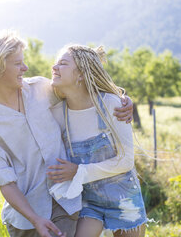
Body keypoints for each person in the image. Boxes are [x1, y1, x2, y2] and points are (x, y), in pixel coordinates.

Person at [0, 31, 134, 237]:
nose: (25, 68)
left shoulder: (40, 88)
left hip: (67, 202)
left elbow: (84, 92)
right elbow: (6, 183)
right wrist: (35, 219)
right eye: (18, 63)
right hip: (28, 218)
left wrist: (122, 100)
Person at [48, 45, 147, 237]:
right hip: (89, 202)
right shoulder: (59, 114)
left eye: (63, 63)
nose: (54, 67)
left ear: (81, 75)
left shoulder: (112, 105)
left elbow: (126, 161)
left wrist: (78, 171)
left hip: (124, 198)